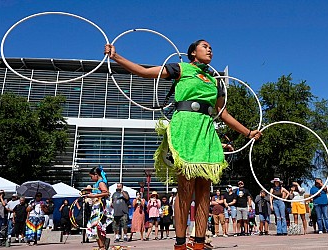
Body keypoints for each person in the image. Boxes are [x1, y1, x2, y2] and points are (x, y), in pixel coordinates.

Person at [105, 40, 261, 250]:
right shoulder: (181, 68)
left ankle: (198, 242)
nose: (209, 49)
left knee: (205, 190)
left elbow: (222, 113)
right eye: (204, 46)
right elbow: (145, 72)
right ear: (192, 53)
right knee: (185, 189)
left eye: (211, 47)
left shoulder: (216, 82)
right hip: (186, 128)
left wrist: (248, 132)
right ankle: (180, 243)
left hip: (206, 130)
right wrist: (116, 57)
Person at [85, 166, 112, 250]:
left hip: (100, 207)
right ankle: (102, 244)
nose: (91, 178)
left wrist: (93, 195)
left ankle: (102, 246)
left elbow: (106, 193)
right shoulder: (97, 183)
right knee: (97, 227)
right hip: (97, 207)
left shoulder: (100, 182)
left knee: (98, 226)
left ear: (96, 175)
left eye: (91, 176)